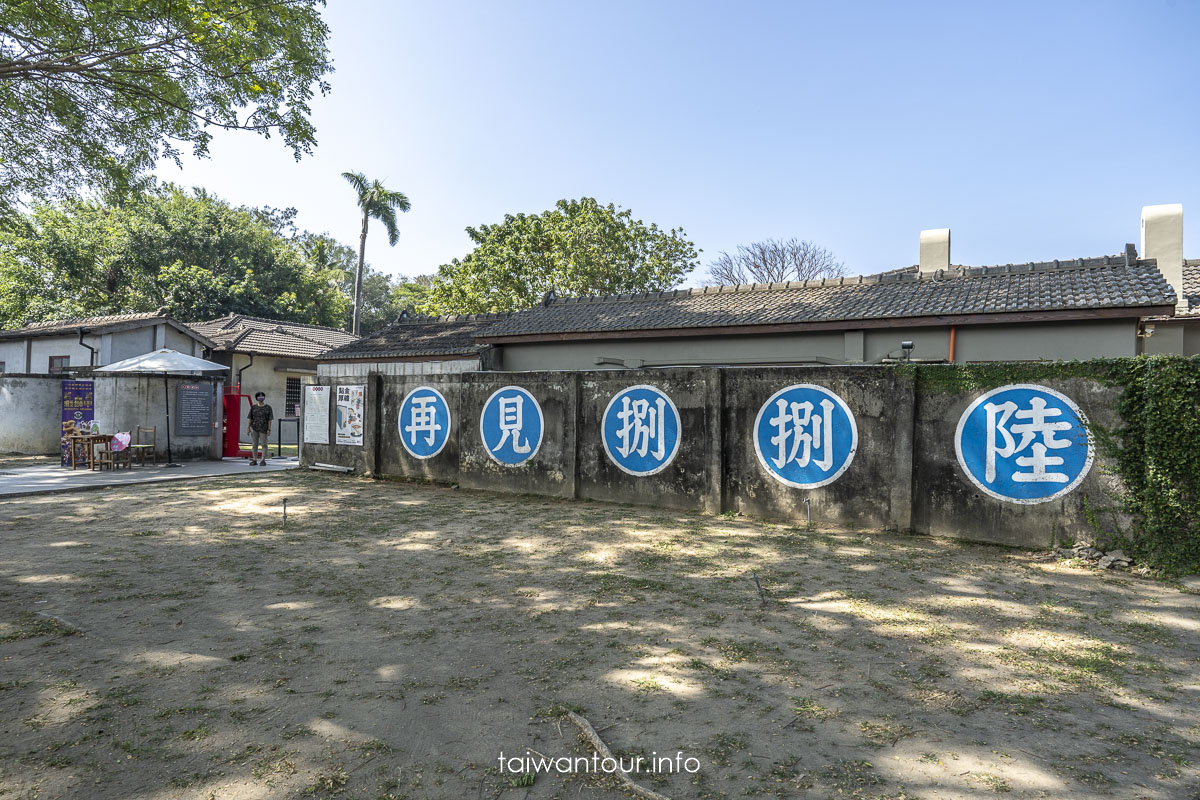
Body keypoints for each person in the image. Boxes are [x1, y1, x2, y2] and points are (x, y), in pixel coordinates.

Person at [247, 391, 273, 466]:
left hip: (264, 429)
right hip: (254, 428)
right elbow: (250, 418)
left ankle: (263, 460)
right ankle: (254, 459)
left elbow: (270, 419)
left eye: (262, 396)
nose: (261, 397)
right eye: (259, 396)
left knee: (264, 444)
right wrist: (248, 428)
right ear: (256, 398)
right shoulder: (253, 407)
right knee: (254, 444)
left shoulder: (268, 408)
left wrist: (269, 429)